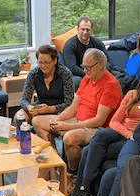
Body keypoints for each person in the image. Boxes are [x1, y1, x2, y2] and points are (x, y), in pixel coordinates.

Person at [71, 64, 140, 196]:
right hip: (122, 133)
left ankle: (83, 191)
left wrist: (133, 137)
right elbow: (114, 121)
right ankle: (82, 192)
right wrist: (128, 134)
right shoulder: (132, 94)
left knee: (88, 151)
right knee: (101, 134)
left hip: (136, 142)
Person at [34, 49, 123, 179]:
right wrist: (58, 119)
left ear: (101, 64)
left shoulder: (110, 85)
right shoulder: (87, 79)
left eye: (88, 67)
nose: (85, 70)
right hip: (79, 120)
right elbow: (73, 107)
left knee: (70, 138)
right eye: (83, 66)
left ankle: (73, 175)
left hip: (96, 128)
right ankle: (56, 163)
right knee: (37, 121)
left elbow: (98, 120)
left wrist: (67, 126)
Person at [18, 44, 75, 124]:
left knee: (37, 121)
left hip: (59, 109)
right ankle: (25, 136)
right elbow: (24, 100)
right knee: (19, 116)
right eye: (40, 62)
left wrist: (50, 109)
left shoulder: (65, 74)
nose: (43, 66)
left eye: (46, 62)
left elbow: (69, 103)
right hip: (40, 107)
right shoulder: (34, 74)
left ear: (54, 61)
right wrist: (29, 107)